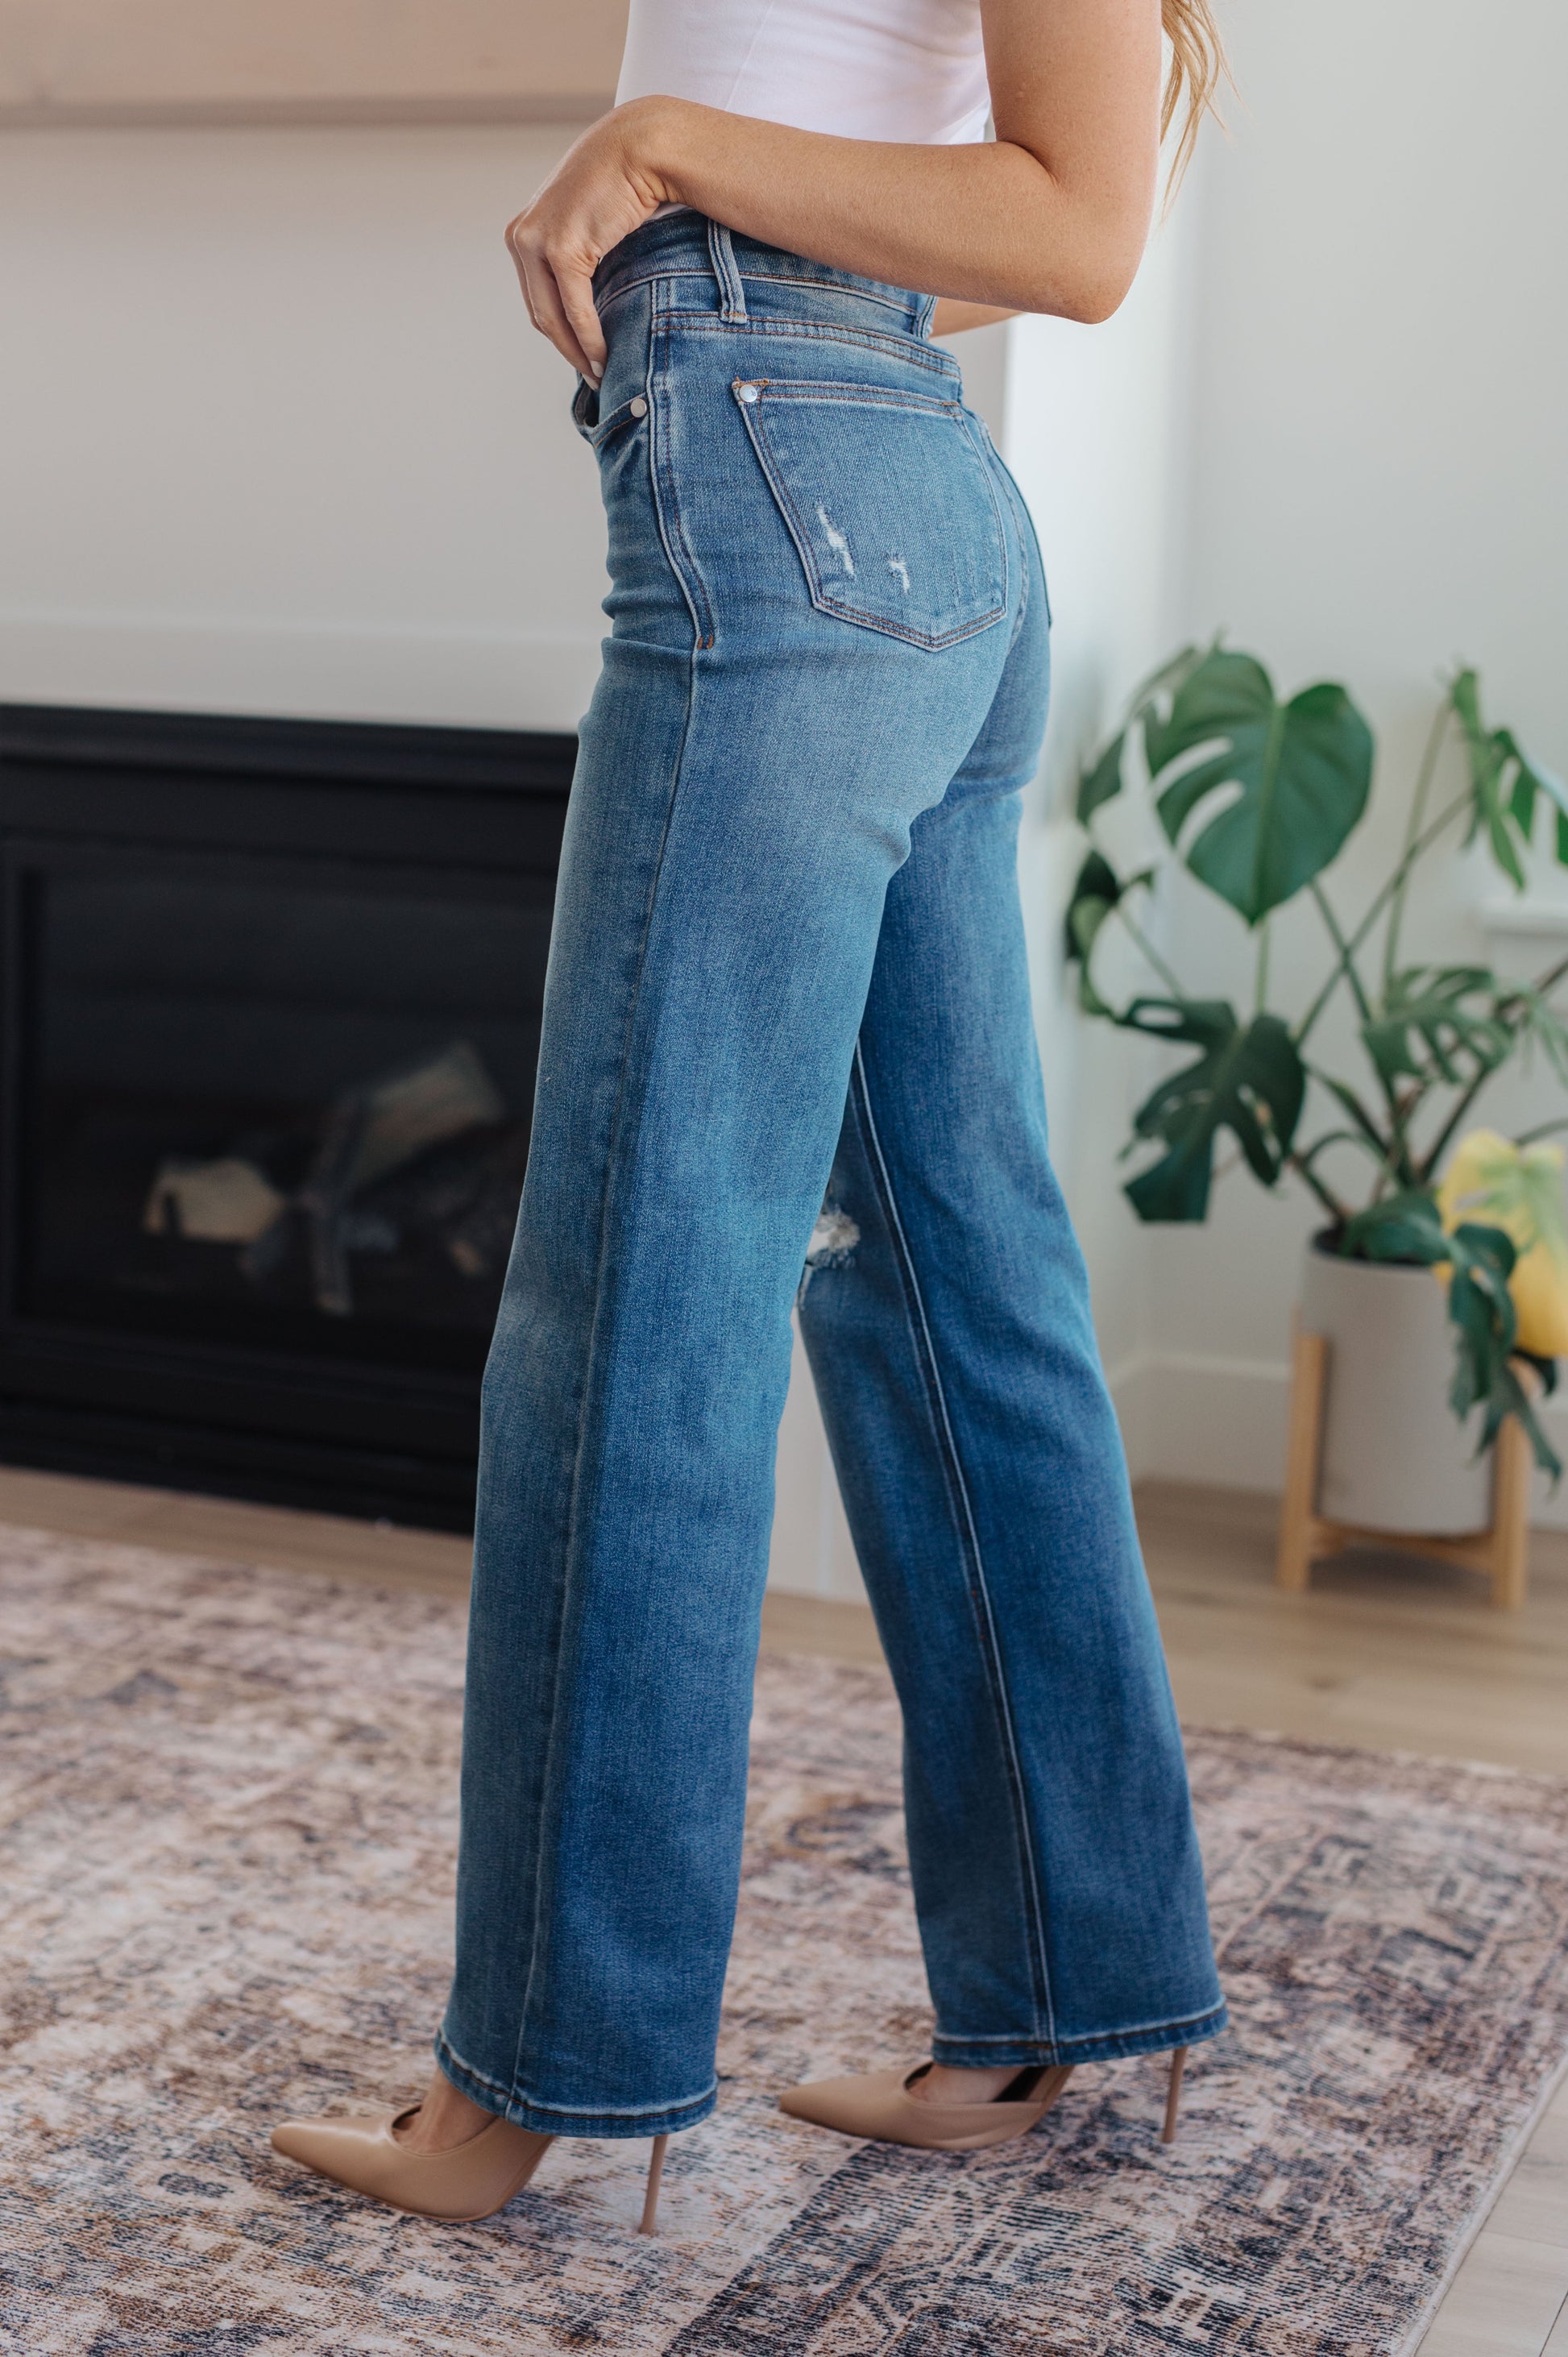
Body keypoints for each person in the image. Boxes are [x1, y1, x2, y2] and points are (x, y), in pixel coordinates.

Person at [272, 0, 1230, 2235]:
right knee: (958, 1282)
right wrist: (713, 223)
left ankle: (541, 2071)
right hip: (875, 466)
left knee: (637, 1295)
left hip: (804, 492)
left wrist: (669, 152)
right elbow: (933, 191)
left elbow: (1081, 232)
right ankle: (1063, 1993)